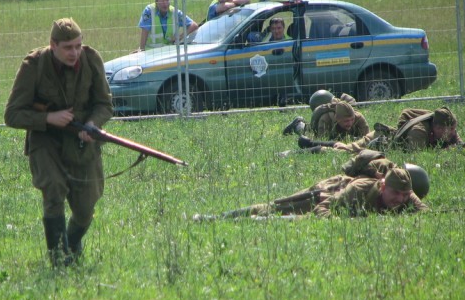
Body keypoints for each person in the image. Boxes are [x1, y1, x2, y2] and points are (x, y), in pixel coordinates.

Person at [4, 18, 113, 267]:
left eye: (78, 45)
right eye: (67, 47)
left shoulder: (91, 59)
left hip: (82, 142)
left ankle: (71, 246)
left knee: (86, 208)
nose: (74, 52)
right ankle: (58, 261)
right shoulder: (33, 65)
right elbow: (12, 115)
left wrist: (93, 125)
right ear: (53, 45)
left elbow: (104, 104)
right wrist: (48, 118)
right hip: (46, 140)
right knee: (53, 190)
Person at [193, 158, 428, 220]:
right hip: (326, 193)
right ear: (383, 185)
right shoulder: (360, 188)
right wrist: (343, 225)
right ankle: (214, 217)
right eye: (395, 194)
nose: (399, 199)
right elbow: (324, 209)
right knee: (275, 208)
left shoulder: (405, 193)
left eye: (404, 195)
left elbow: (424, 213)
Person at [334, 106, 463, 153]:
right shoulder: (419, 132)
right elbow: (419, 156)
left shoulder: (448, 131)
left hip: (387, 138)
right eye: (451, 129)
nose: (453, 132)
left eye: (453, 129)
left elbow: (460, 145)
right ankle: (320, 148)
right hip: (380, 139)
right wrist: (445, 151)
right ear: (439, 128)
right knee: (348, 150)